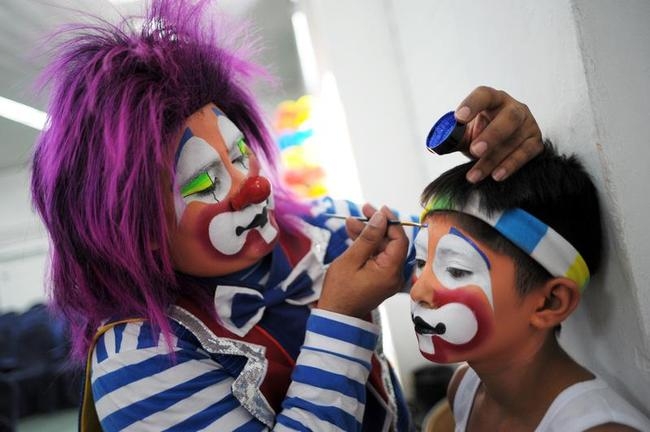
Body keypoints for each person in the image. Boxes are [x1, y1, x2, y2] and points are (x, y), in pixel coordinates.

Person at [30, 0, 543, 430]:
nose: (253, 184)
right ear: (137, 233)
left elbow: (498, 257)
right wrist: (340, 316)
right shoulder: (137, 360)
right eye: (205, 181)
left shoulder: (323, 228)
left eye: (239, 156)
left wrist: (508, 166)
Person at [398, 143, 650, 431]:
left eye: (457, 270)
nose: (418, 291)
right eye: (420, 261)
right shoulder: (465, 387)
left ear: (550, 302)